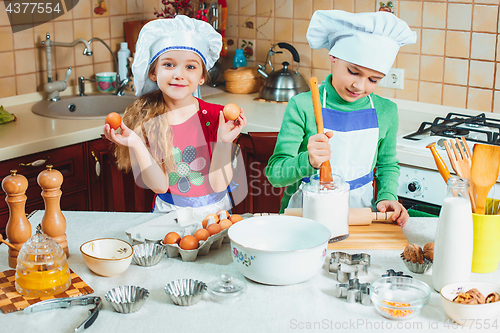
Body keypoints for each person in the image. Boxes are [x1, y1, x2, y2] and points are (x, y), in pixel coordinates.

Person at [266, 10, 415, 226]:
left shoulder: (386, 111)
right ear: (334, 57)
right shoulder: (303, 106)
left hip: (359, 217)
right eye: (353, 72)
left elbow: (387, 165)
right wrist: (307, 161)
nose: (360, 86)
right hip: (304, 217)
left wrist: (387, 196)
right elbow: (275, 173)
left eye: (373, 79)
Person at [103, 15, 247, 215]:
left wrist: (224, 142)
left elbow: (218, 184)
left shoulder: (217, 117)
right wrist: (136, 143)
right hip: (169, 215)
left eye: (190, 67)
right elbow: (160, 186)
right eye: (169, 65)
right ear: (153, 72)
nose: (179, 74)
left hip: (215, 216)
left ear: (202, 77)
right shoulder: (148, 120)